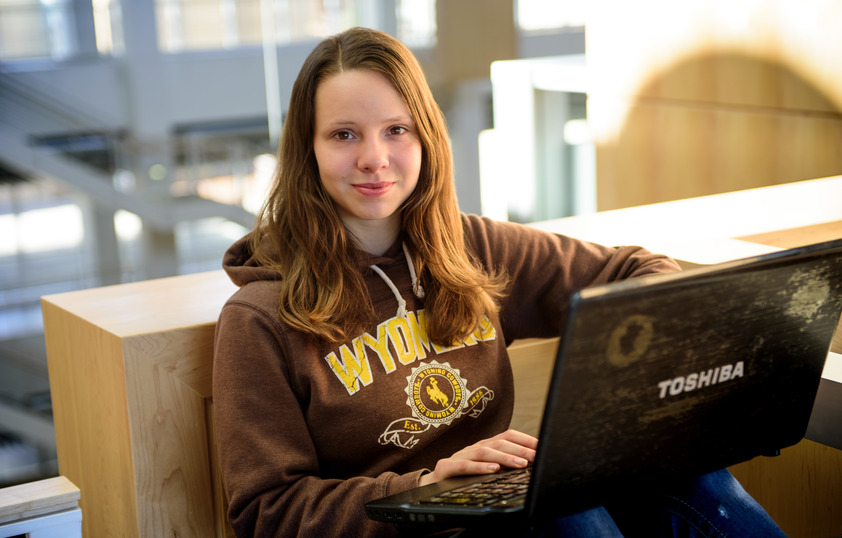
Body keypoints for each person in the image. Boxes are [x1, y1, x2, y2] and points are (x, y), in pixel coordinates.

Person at [212, 27, 785, 537]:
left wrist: (624, 407)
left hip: (506, 501)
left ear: (426, 138)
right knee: (563, 514)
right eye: (343, 135)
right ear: (306, 151)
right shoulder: (260, 316)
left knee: (690, 474)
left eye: (396, 129)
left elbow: (638, 270)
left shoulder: (468, 247)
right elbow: (267, 511)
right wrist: (427, 485)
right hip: (407, 526)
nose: (374, 158)